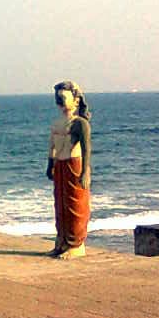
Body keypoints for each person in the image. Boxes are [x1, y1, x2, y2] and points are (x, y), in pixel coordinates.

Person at [45, 80, 92, 259]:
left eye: (64, 97)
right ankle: (62, 241)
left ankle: (76, 244)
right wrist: (50, 165)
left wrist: (85, 171)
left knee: (75, 205)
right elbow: (52, 146)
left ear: (76, 100)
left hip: (74, 164)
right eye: (58, 98)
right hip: (60, 164)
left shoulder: (80, 123)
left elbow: (87, 148)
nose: (60, 102)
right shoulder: (57, 123)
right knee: (60, 204)